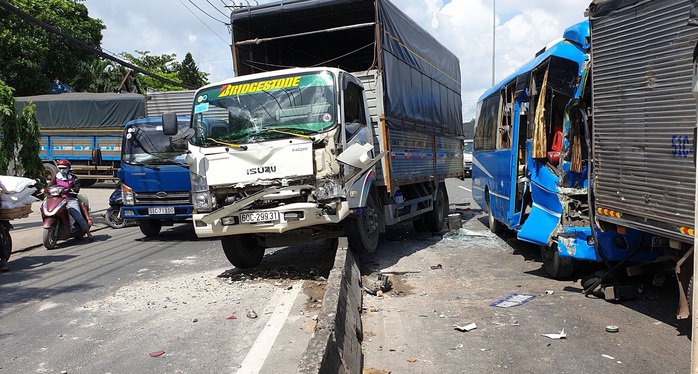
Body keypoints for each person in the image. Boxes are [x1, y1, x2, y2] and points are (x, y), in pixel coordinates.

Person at [52, 160, 93, 241]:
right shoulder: (56, 177)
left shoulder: (74, 178)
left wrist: (72, 190)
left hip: (70, 199)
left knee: (77, 215)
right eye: (60, 168)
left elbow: (76, 189)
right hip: (58, 199)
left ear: (68, 168)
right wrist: (44, 189)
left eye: (64, 168)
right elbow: (50, 185)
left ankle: (88, 232)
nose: (62, 170)